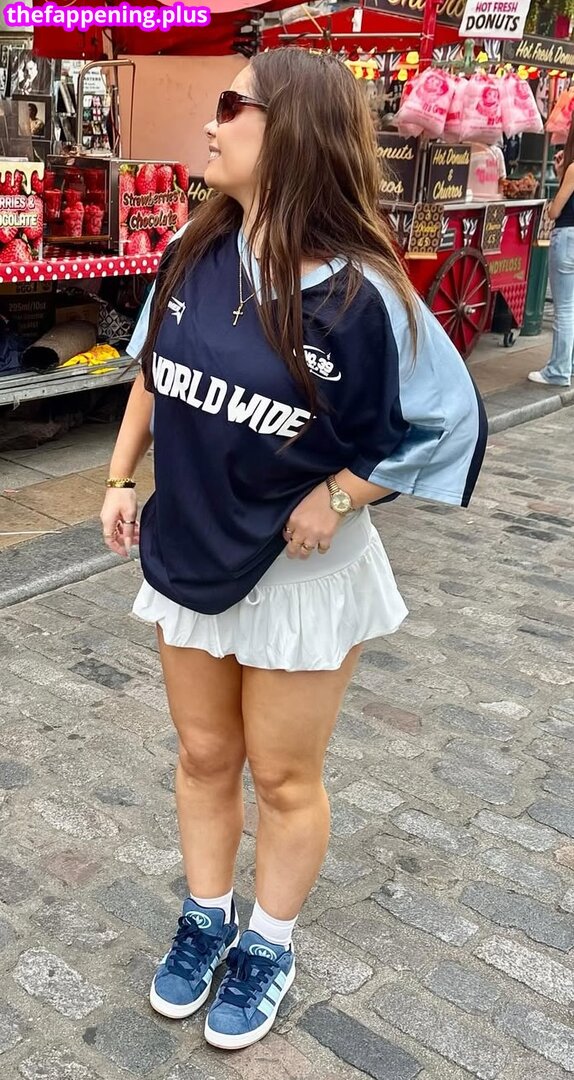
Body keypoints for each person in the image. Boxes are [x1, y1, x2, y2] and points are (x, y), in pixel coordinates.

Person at [100, 48, 487, 1052]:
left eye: (232, 105)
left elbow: (445, 422)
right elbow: (153, 370)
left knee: (281, 776)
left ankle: (267, 942)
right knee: (202, 754)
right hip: (190, 546)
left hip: (301, 576)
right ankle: (205, 918)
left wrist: (342, 494)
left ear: (295, 133)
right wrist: (119, 476)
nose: (210, 123)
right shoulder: (194, 249)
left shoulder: (367, 296)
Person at [529, 118, 574, 387]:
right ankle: (569, 363)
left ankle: (558, 370)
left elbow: (556, 210)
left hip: (567, 236)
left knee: (565, 308)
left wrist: (563, 176)